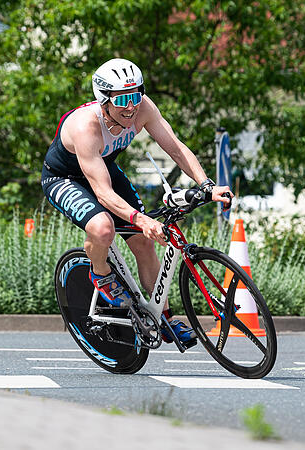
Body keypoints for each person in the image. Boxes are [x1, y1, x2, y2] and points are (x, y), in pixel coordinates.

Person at [41, 58, 233, 347]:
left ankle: (164, 318)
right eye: (123, 100)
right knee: (103, 228)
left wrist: (207, 185)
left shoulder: (143, 108)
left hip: (103, 167)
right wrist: (141, 219)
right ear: (104, 101)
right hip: (64, 178)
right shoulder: (85, 126)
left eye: (136, 95)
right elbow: (103, 195)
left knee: (143, 243)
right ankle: (100, 274)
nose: (131, 107)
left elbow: (176, 149)